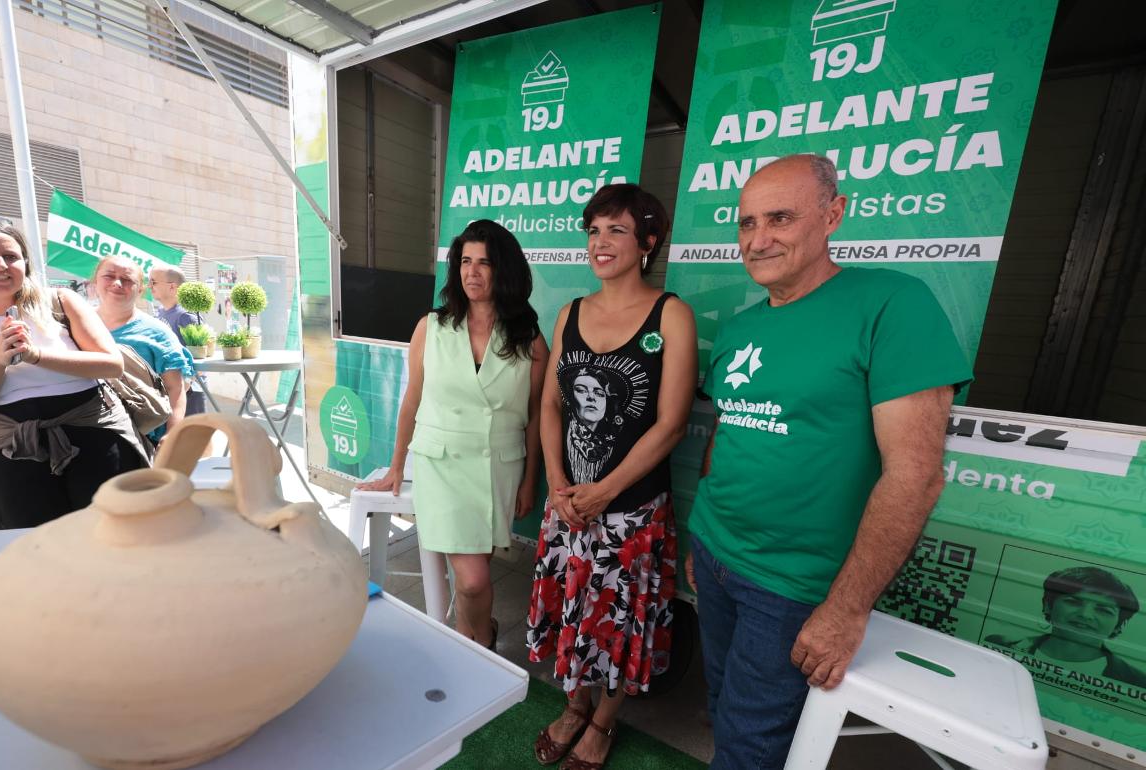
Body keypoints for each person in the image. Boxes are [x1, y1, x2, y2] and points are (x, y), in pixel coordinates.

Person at [686, 154, 972, 769]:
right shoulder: (740, 330)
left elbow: (915, 475)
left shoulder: (893, 304)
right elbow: (727, 436)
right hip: (714, 555)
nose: (758, 239)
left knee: (751, 742)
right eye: (745, 223)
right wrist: (700, 539)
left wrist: (846, 610)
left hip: (794, 586)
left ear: (833, 214)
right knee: (721, 707)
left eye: (780, 218)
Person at [527, 183, 697, 770]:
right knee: (570, 610)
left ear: (649, 241)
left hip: (631, 511)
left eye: (616, 230)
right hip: (569, 503)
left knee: (622, 620)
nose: (600, 243)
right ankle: (574, 704)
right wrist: (557, 481)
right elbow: (551, 405)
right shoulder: (571, 310)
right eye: (594, 230)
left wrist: (604, 491)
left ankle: (603, 721)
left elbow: (672, 424)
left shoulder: (670, 313)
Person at [357, 219, 548, 650]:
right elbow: (412, 401)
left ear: (506, 271)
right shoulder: (433, 327)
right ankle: (472, 643)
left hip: (496, 466)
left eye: (484, 262)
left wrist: (530, 479)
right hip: (440, 464)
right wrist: (396, 466)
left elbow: (537, 416)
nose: (472, 272)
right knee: (475, 580)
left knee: (475, 579)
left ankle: (478, 640)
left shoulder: (529, 340)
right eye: (465, 261)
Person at [0, 212, 147, 531]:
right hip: (13, 447)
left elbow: (111, 364)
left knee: (115, 536)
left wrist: (36, 355)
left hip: (95, 432)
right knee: (34, 545)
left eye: (11, 256)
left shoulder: (60, 301)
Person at [986, 566, 1146, 687]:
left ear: (1119, 625)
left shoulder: (1137, 681)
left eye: (1103, 610)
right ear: (1048, 606)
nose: (1085, 615)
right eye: (1073, 602)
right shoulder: (999, 645)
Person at [94, 257, 195, 444]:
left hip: (142, 439)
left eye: (127, 280)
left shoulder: (158, 333)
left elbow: (176, 387)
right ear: (95, 281)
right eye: (109, 276)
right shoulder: (73, 324)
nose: (117, 283)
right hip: (85, 434)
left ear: (140, 289)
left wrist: (171, 435)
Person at [147, 265, 206, 416]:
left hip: (189, 391)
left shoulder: (187, 316)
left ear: (172, 287)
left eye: (153, 282)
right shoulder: (160, 312)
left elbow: (200, 355)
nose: (149, 286)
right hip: (168, 388)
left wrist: (186, 383)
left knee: (193, 435)